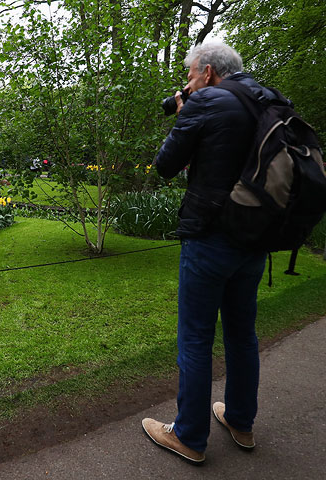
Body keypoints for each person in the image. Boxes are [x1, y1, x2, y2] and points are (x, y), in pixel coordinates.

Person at [141, 42, 281, 464]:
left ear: (206, 71)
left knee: (196, 336)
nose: (186, 82)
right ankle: (240, 421)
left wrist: (186, 115)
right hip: (255, 238)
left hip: (211, 237)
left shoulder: (205, 102)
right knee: (242, 334)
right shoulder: (265, 100)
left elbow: (165, 164)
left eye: (189, 74)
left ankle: (189, 436)